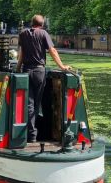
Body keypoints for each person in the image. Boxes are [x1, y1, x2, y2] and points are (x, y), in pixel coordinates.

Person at [16, 14, 72, 143]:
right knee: (37, 103)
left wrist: (18, 68)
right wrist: (62, 66)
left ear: (31, 23)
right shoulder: (43, 33)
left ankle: (30, 135)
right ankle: (35, 134)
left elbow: (22, 53)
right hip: (39, 71)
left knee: (28, 104)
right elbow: (52, 50)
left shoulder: (23, 34)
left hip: (26, 70)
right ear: (42, 24)